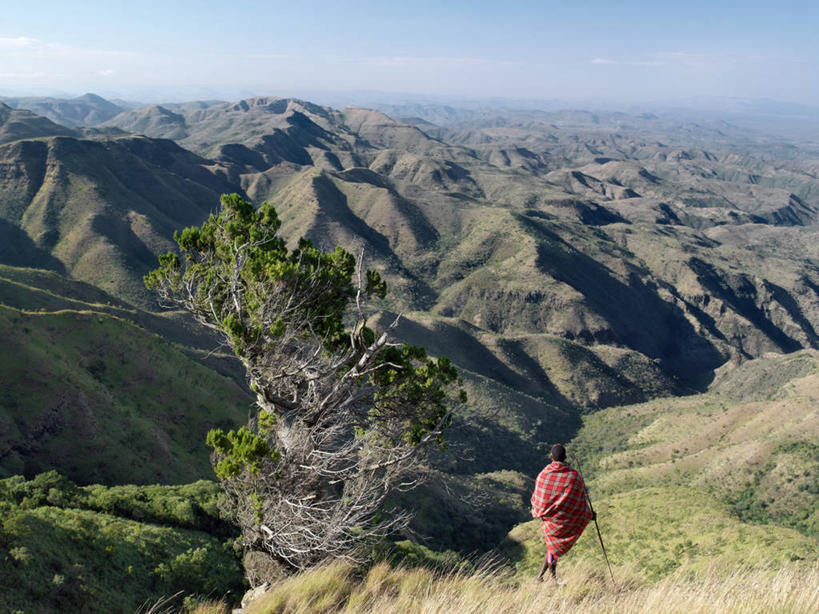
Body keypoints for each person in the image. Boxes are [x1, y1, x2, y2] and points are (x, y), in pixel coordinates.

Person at [530, 444, 595, 582]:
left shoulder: (543, 475)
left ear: (551, 457)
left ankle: (542, 577)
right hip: (566, 520)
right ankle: (548, 578)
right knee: (552, 550)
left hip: (550, 521)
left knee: (551, 548)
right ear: (565, 457)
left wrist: (542, 512)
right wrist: (589, 514)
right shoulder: (574, 476)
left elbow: (538, 499)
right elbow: (579, 501)